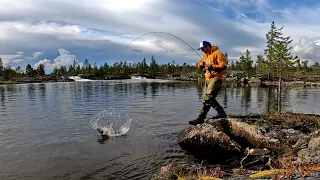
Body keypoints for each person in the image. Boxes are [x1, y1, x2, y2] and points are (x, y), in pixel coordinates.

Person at [189, 41, 228, 125]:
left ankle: (221, 112)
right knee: (207, 99)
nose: (202, 50)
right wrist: (201, 64)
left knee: (208, 97)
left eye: (203, 48)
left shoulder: (218, 53)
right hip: (208, 79)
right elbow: (199, 65)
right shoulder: (205, 56)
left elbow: (224, 65)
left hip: (216, 78)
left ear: (207, 46)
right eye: (201, 49)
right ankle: (201, 118)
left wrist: (211, 66)